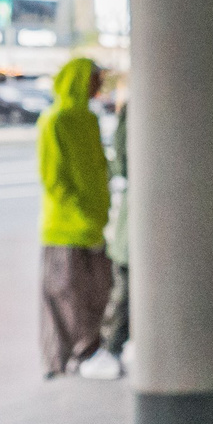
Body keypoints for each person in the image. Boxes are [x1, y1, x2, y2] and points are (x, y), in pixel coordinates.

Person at [36, 56, 112, 376]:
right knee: (65, 294)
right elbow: (54, 179)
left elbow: (99, 168)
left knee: (97, 291)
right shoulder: (55, 120)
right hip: (65, 229)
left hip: (93, 226)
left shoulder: (89, 120)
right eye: (95, 79)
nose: (100, 86)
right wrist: (81, 212)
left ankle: (89, 352)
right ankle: (64, 359)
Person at [80, 85, 130, 380]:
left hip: (142, 221)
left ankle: (111, 349)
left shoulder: (139, 108)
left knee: (125, 282)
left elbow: (121, 163)